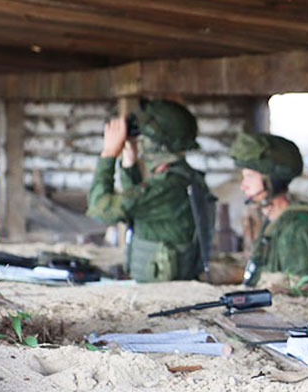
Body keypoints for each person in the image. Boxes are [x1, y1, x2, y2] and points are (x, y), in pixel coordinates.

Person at [87, 99, 214, 282]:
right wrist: (130, 162)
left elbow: (101, 210)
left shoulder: (168, 186)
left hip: (164, 293)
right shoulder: (182, 178)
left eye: (144, 137)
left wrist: (108, 154)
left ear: (156, 144)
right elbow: (141, 208)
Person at [229, 132, 308, 294]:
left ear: (271, 180)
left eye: (250, 177)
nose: (243, 186)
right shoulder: (274, 220)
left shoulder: (298, 226)